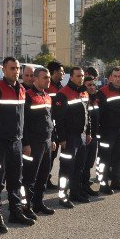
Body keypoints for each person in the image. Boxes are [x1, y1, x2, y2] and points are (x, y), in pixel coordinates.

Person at [0, 57, 34, 233]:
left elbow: (24, 120)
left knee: (15, 180)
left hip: (17, 143)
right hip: (0, 144)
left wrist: (24, 141)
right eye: (12, 68)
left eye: (18, 68)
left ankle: (15, 212)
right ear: (4, 70)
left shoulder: (22, 90)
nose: (16, 71)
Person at [53, 67, 90, 207]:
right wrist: (61, 138)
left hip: (81, 136)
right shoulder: (63, 94)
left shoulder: (84, 92)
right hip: (69, 137)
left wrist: (88, 132)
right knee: (66, 169)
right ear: (71, 77)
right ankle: (63, 196)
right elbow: (58, 119)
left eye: (82, 75)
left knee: (79, 167)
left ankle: (75, 193)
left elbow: (88, 115)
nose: (81, 78)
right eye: (78, 76)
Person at [22, 68, 56, 216]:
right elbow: (23, 122)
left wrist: (53, 139)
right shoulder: (27, 96)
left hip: (47, 141)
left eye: (48, 78)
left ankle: (38, 203)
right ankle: (26, 206)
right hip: (33, 143)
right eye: (45, 78)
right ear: (35, 79)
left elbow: (51, 120)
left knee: (43, 175)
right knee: (30, 177)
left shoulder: (48, 96)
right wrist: (26, 143)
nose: (48, 80)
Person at [96, 66, 120, 194]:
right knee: (105, 159)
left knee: (119, 157)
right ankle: (103, 185)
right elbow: (99, 113)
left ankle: (116, 181)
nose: (117, 78)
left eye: (119, 76)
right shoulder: (103, 92)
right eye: (114, 76)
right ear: (110, 77)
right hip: (107, 131)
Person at [45, 61, 65, 191]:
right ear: (53, 72)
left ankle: (46, 179)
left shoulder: (60, 87)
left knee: (53, 156)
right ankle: (42, 180)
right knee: (48, 156)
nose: (63, 73)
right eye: (61, 71)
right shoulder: (47, 88)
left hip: (59, 128)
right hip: (49, 127)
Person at [82, 75, 101, 196]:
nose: (92, 87)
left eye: (94, 84)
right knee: (82, 163)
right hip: (85, 137)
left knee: (89, 163)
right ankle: (80, 187)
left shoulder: (96, 99)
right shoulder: (84, 99)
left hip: (94, 136)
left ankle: (85, 185)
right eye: (89, 85)